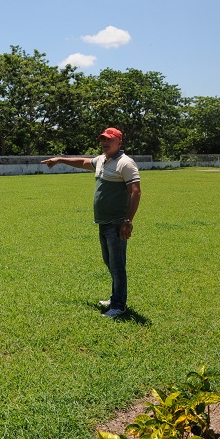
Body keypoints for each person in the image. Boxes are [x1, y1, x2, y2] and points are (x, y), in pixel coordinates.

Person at [41, 127, 141, 318]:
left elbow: (136, 191)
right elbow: (84, 161)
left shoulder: (125, 163)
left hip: (117, 223)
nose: (105, 142)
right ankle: (115, 298)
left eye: (110, 140)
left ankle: (119, 305)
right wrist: (60, 159)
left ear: (119, 142)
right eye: (103, 139)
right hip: (104, 222)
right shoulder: (102, 160)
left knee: (117, 265)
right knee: (110, 263)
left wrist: (128, 221)